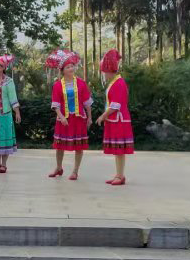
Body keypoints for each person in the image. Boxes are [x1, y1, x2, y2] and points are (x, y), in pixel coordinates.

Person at [45, 49, 92, 180]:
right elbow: (55, 104)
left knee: (79, 146)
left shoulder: (81, 83)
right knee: (60, 146)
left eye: (72, 66)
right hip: (63, 119)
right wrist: (61, 117)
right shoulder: (57, 85)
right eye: (68, 67)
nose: (71, 68)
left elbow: (87, 102)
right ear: (63, 70)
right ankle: (59, 168)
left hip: (79, 118)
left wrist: (90, 118)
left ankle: (75, 171)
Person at [96, 49, 133, 186]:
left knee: (119, 150)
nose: (103, 75)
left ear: (109, 70)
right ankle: (118, 175)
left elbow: (115, 105)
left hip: (119, 120)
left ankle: (120, 175)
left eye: (104, 72)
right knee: (117, 151)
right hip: (115, 120)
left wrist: (102, 116)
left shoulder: (119, 83)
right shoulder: (115, 82)